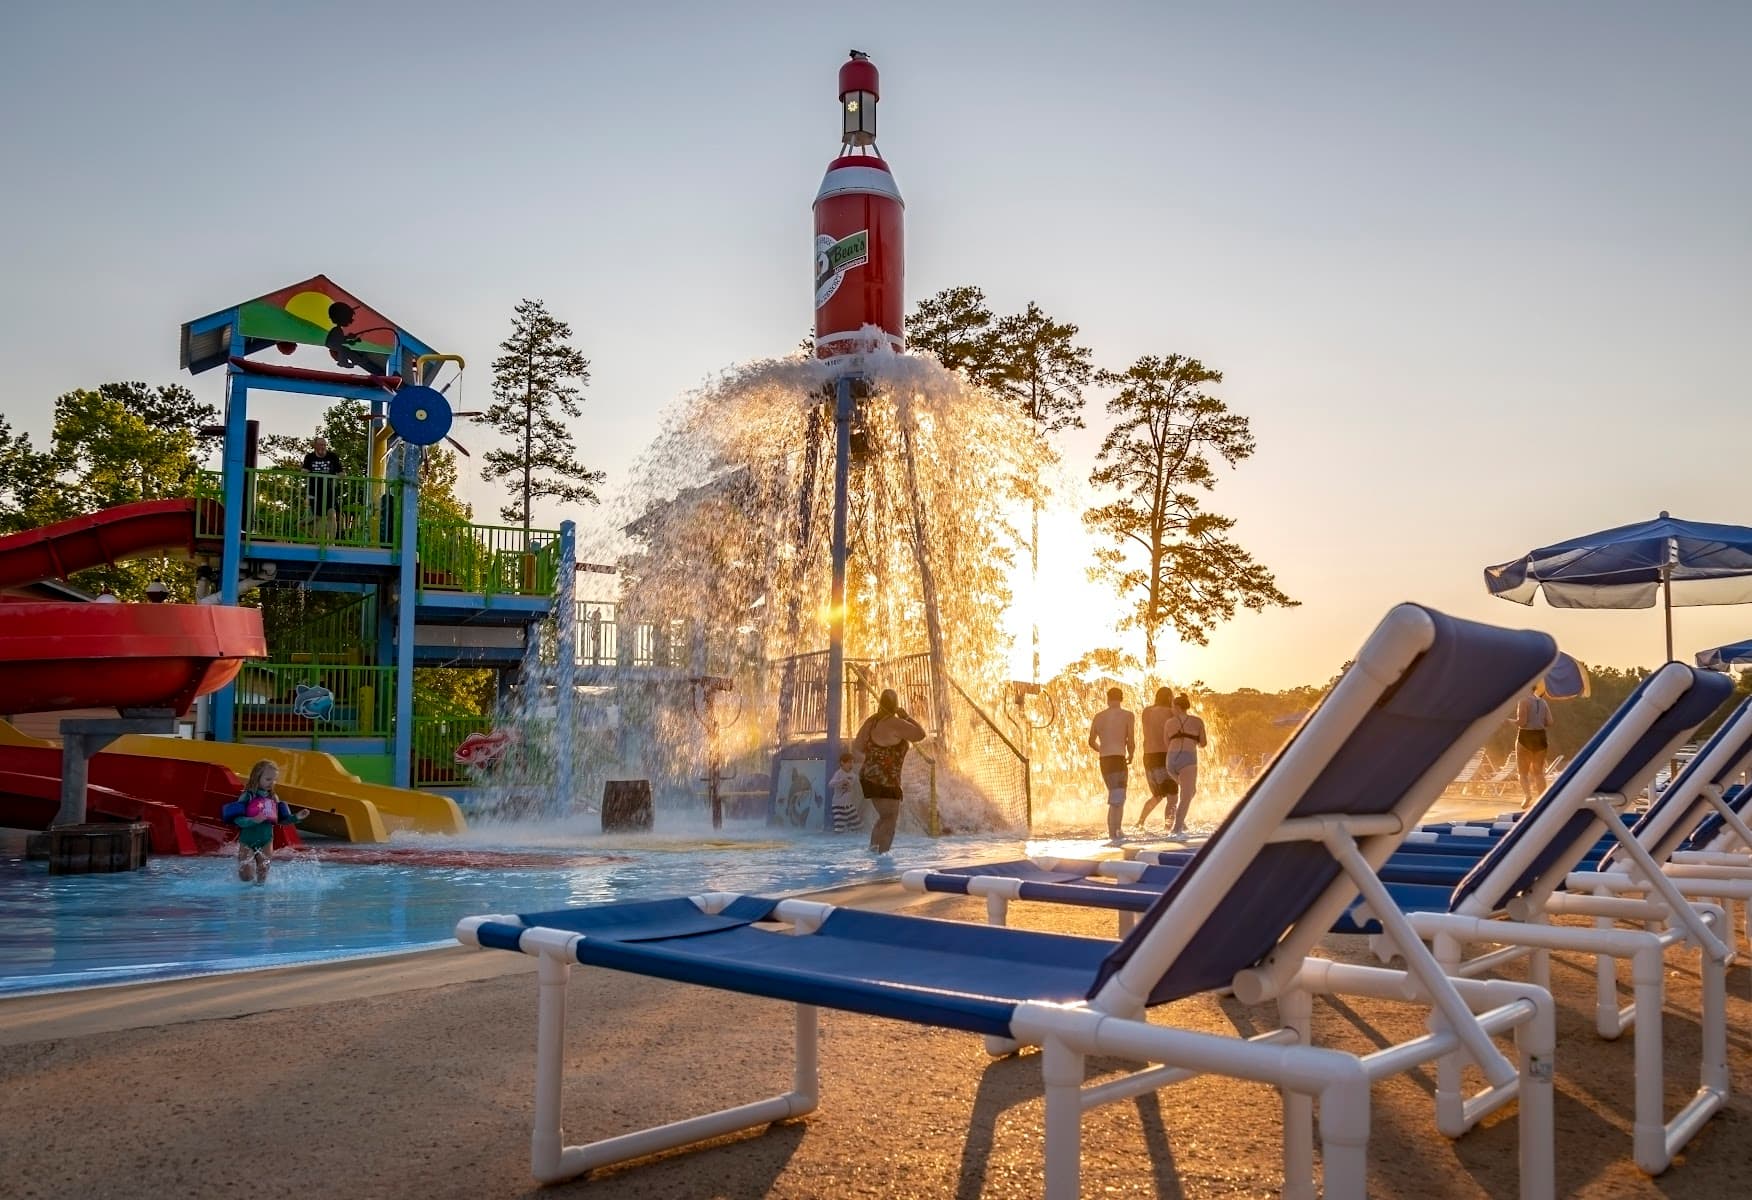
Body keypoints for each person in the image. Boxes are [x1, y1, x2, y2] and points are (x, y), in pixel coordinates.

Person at [851, 689, 926, 855]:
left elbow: (855, 749)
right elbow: (920, 734)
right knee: (890, 819)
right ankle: (882, 857)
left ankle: (872, 853)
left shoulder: (871, 722)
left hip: (868, 777)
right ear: (895, 705)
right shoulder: (896, 723)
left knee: (883, 817)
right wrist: (906, 716)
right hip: (886, 780)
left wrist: (872, 761)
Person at [228, 760, 309, 886]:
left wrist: (296, 817)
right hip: (247, 840)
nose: (272, 783)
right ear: (257, 777)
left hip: (266, 840)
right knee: (246, 875)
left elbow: (282, 820)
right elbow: (237, 819)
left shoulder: (273, 798)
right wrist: (253, 820)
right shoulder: (247, 797)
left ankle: (259, 897)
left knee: (263, 872)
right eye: (268, 779)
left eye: (274, 780)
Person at [1087, 687, 1135, 845]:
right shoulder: (1128, 715)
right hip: (1118, 758)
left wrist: (1103, 749)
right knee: (1118, 798)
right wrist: (1131, 755)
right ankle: (1115, 833)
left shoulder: (1099, 716)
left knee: (1114, 795)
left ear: (1108, 699)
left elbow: (1091, 741)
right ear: (1121, 699)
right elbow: (1131, 741)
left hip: (1104, 759)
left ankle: (1113, 832)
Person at [1135, 686, 1180, 834]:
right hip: (1165, 755)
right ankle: (1168, 829)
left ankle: (1140, 822)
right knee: (1173, 797)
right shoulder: (1170, 712)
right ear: (1169, 698)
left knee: (1158, 794)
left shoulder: (1146, 711)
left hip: (1148, 756)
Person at [1163, 693, 1208, 838]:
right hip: (1188, 759)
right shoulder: (1197, 721)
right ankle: (1176, 830)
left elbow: (1166, 743)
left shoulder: (1169, 722)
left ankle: (1180, 822)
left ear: (1177, 707)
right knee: (1187, 795)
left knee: (1190, 791)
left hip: (1170, 760)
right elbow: (1203, 743)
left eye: (1172, 707)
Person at [1513, 689, 1552, 809]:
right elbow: (1550, 722)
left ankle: (1527, 796)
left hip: (1526, 736)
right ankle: (1542, 799)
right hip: (1540, 736)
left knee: (1523, 772)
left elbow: (1522, 722)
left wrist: (1507, 721)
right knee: (1538, 772)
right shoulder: (1543, 702)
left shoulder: (1523, 700)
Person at [300, 435, 345, 536]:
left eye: (324, 445)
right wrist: (304, 471)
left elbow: (341, 473)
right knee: (319, 517)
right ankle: (320, 543)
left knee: (332, 514)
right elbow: (304, 471)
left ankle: (331, 542)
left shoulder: (332, 456)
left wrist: (340, 475)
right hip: (314, 491)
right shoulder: (310, 457)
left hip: (329, 491)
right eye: (320, 445)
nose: (322, 447)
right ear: (315, 446)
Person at [828, 751, 862, 833]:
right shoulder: (838, 773)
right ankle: (836, 844)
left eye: (852, 763)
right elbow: (830, 784)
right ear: (842, 763)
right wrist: (840, 781)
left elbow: (859, 783)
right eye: (849, 763)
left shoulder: (853, 775)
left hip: (849, 806)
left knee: (858, 827)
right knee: (839, 828)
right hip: (838, 806)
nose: (851, 765)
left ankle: (851, 841)